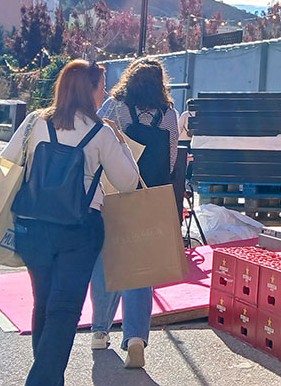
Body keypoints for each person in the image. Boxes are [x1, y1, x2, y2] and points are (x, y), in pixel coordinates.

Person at [2, 60, 139, 386]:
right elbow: (128, 182)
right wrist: (122, 144)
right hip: (79, 230)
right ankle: (42, 381)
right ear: (88, 90)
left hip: (33, 225)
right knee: (63, 310)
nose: (104, 93)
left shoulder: (35, 121)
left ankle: (48, 379)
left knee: (44, 303)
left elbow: (7, 161)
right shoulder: (101, 132)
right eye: (101, 86)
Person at [89, 57, 180, 369]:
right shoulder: (169, 115)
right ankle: (136, 338)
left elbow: (94, 144)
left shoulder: (113, 108)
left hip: (113, 196)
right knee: (141, 266)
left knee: (106, 261)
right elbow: (171, 161)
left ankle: (99, 330)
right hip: (149, 197)